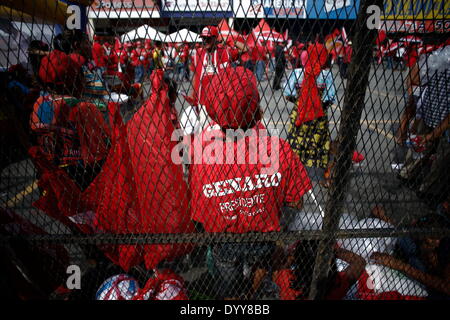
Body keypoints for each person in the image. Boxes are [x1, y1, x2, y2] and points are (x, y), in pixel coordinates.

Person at [188, 67, 312, 299]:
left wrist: (233, 202)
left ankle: (236, 298)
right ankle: (254, 293)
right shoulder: (278, 149)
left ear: (214, 110)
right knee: (262, 274)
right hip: (264, 239)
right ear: (255, 106)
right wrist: (263, 206)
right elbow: (296, 201)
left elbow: (200, 214)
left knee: (229, 286)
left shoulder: (204, 155)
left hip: (225, 241)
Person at [287, 43, 332, 170]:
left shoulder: (296, 73)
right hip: (319, 113)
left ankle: (295, 163)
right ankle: (315, 163)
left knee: (296, 135)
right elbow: (330, 97)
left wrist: (301, 100)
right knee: (317, 138)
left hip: (299, 110)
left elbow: (287, 93)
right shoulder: (326, 75)